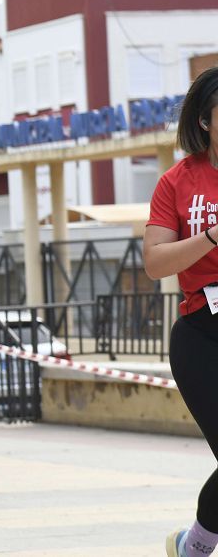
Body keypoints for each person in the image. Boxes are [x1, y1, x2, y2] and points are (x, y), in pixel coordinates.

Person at [146, 67, 218, 557]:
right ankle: (195, 545)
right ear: (208, 120)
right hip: (201, 331)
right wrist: (213, 236)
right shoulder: (178, 181)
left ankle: (191, 544)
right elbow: (155, 263)